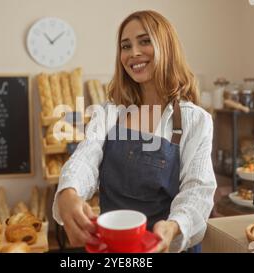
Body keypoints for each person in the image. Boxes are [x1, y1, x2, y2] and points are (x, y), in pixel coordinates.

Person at [52, 10, 216, 253]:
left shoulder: (195, 120)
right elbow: (85, 158)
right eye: (125, 46)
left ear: (166, 46)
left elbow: (198, 190)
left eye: (145, 41)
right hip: (115, 248)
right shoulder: (110, 113)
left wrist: (172, 227)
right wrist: (69, 191)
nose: (134, 53)